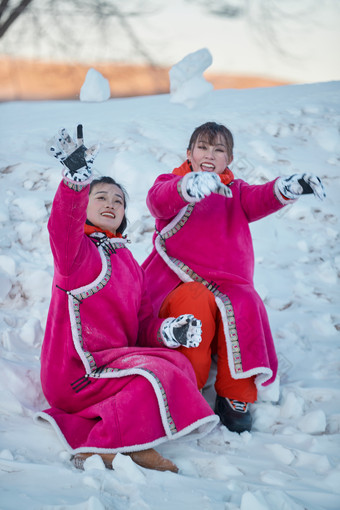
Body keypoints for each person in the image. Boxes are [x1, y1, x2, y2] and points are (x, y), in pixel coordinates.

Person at [34, 125, 219, 472]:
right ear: (84, 205)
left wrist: (168, 332)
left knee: (175, 363)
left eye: (118, 200)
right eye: (100, 197)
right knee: (155, 374)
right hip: (76, 371)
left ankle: (129, 440)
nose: (111, 204)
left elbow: (142, 325)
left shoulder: (129, 264)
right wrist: (75, 182)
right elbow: (62, 227)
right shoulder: (78, 254)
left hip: (111, 363)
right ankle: (109, 447)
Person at [142, 121, 326, 433]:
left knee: (245, 302)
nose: (209, 154)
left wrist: (287, 187)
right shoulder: (173, 182)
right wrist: (187, 187)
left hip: (227, 284)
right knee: (196, 302)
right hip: (179, 280)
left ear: (229, 159)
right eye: (202, 147)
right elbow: (157, 200)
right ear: (189, 153)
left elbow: (260, 197)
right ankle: (190, 384)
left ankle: (234, 394)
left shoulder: (235, 192)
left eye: (219, 149)